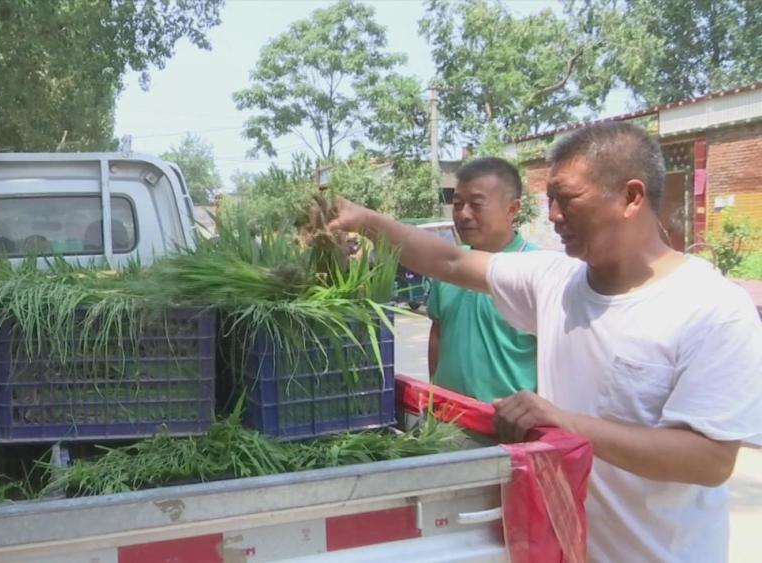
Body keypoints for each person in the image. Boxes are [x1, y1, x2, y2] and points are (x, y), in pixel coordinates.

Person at [326, 122, 762, 562]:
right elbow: (452, 260)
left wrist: (563, 423)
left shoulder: (711, 309)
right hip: (562, 549)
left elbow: (709, 459)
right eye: (550, 199)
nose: (552, 214)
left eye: (567, 198)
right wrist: (364, 220)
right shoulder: (554, 280)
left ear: (631, 197)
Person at [427, 157, 538, 402]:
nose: (463, 214)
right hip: (446, 424)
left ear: (512, 209)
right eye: (457, 204)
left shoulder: (537, 269)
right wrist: (433, 394)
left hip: (511, 431)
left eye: (476, 204)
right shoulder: (448, 266)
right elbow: (438, 333)